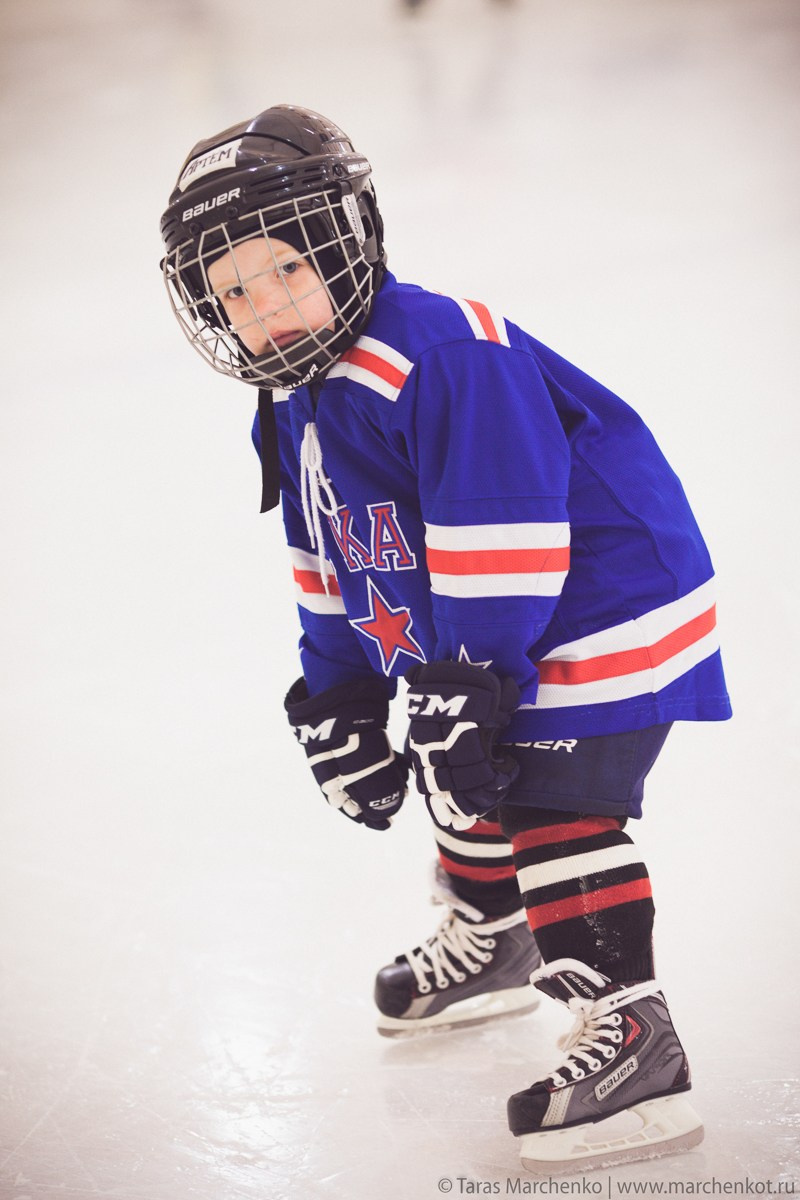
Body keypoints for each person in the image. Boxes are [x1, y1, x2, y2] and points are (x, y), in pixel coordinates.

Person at [160, 104, 732, 1174]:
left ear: (345, 242)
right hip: (489, 622)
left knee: (549, 803)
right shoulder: (297, 402)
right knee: (463, 767)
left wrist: (466, 679)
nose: (264, 307)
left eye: (284, 269)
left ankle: (635, 1039)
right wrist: (336, 694)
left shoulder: (441, 355)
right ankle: (497, 942)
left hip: (597, 602)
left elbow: (502, 538)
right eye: (232, 291)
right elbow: (332, 563)